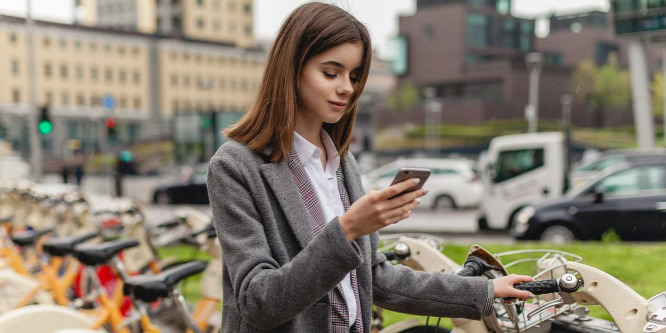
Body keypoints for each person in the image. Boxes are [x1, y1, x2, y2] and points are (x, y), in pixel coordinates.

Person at [206, 3, 534, 332]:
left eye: (354, 76)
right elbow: (258, 301)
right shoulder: (234, 166)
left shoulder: (341, 162)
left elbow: (375, 279)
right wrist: (348, 229)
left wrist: (486, 291)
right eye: (331, 73)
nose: (347, 87)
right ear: (291, 69)